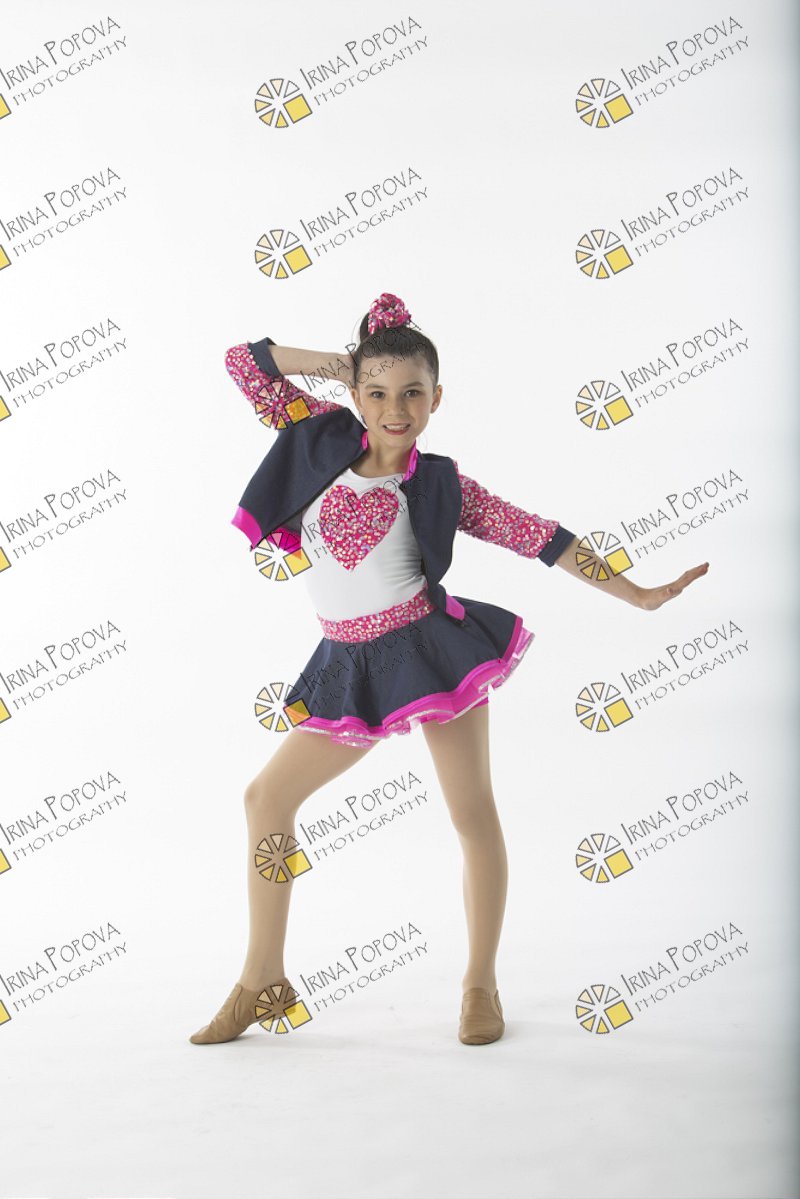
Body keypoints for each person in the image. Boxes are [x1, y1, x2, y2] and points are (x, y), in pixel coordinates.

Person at [189, 292, 709, 1047]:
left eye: (412, 393)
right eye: (376, 393)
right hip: (347, 663)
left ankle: (479, 982)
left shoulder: (441, 485)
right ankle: (262, 977)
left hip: (431, 653)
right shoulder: (314, 435)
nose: (394, 409)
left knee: (471, 814)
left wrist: (635, 592)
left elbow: (541, 536)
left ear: (437, 398)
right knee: (266, 799)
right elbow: (244, 362)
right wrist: (343, 364)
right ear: (354, 394)